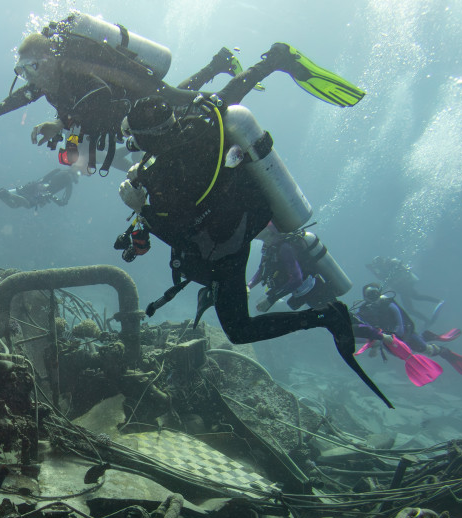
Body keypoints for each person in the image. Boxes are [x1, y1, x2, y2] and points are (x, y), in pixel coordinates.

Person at [115, 92, 391, 407]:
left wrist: (143, 209)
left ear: (150, 137)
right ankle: (322, 315)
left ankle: (326, 316)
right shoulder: (197, 130)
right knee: (224, 302)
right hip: (238, 230)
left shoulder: (172, 169)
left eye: (136, 137)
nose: (133, 144)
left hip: (223, 251)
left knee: (239, 330)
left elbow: (183, 233)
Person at [0, 10, 363, 174]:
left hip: (139, 111)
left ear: (51, 60)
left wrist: (61, 126)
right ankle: (219, 63)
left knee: (211, 108)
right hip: (138, 114)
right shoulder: (50, 81)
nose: (28, 78)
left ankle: (274, 59)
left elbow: (104, 108)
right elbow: (28, 96)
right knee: (80, 160)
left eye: (32, 68)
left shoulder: (81, 74)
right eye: (21, 71)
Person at [353, 284, 462, 382]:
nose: (373, 297)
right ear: (365, 297)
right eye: (370, 295)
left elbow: (400, 323)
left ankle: (443, 351)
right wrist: (376, 344)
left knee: (425, 350)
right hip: (389, 341)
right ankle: (425, 336)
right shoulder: (363, 312)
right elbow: (365, 333)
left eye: (375, 293)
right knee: (405, 353)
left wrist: (392, 337)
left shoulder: (388, 303)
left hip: (405, 335)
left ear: (379, 293)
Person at [249, 228, 348, 312]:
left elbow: (297, 279)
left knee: (339, 319)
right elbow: (262, 270)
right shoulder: (268, 248)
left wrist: (271, 300)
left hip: (317, 292)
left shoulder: (284, 247)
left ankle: (357, 324)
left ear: (269, 230)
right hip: (304, 294)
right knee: (335, 320)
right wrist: (248, 286)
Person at [0, 168, 78, 223]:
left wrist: (49, 195)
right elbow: (64, 200)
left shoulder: (59, 171)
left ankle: (0, 194)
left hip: (33, 186)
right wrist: (57, 199)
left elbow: (45, 179)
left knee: (14, 205)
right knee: (27, 204)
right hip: (40, 191)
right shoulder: (69, 181)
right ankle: (6, 193)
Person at [367, 255, 444, 323]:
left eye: (379, 265)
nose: (380, 267)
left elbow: (402, 271)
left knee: (410, 308)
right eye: (378, 266)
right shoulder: (384, 271)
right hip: (402, 288)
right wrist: (372, 271)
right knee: (417, 297)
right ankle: (438, 302)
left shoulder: (392, 265)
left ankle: (427, 319)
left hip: (404, 286)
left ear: (382, 262)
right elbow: (382, 278)